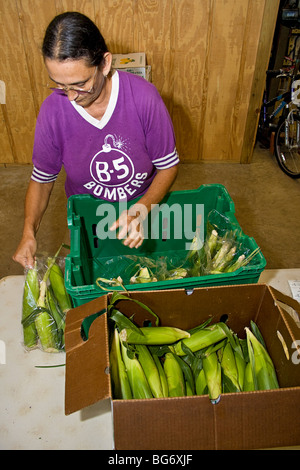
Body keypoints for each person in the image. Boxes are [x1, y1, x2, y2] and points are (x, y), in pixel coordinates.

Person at [13, 11, 179, 269]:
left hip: (143, 212)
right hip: (89, 217)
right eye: (59, 85)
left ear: (105, 63)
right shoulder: (53, 111)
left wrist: (142, 209)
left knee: (148, 276)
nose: (71, 97)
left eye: (81, 84)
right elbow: (42, 181)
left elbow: (168, 166)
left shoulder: (144, 98)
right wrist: (28, 232)